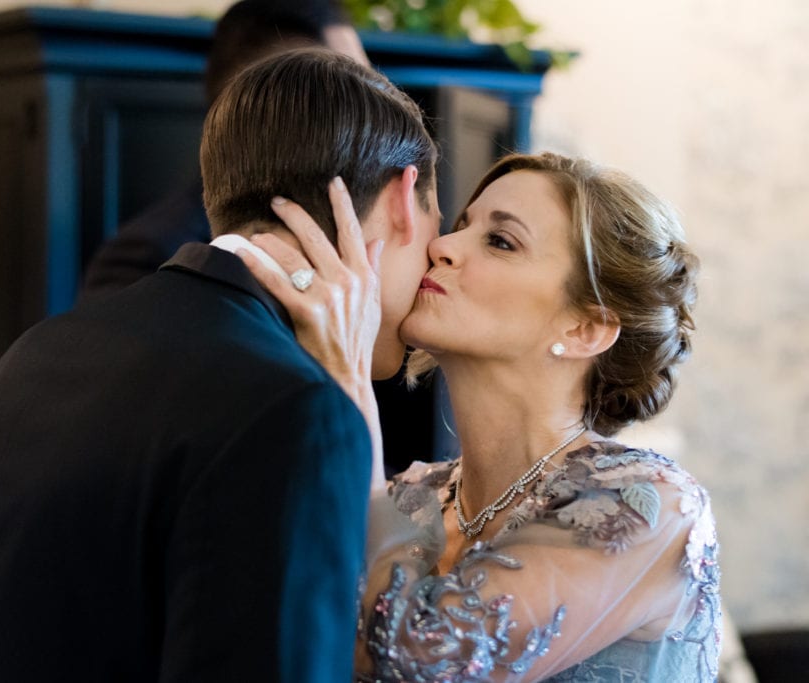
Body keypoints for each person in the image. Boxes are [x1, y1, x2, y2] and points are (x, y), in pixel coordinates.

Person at [0, 48, 440, 682]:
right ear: (403, 198)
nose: (435, 263)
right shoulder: (299, 413)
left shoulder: (38, 351)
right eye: (439, 226)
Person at [245, 151, 722, 680]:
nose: (442, 247)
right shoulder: (412, 496)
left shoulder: (648, 506)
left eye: (500, 241)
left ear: (585, 329)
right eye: (461, 226)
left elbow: (416, 657)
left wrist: (347, 371)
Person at [80, 0, 368, 295]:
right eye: (350, 94)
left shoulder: (365, 234)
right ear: (269, 103)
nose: (374, 114)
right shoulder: (143, 259)